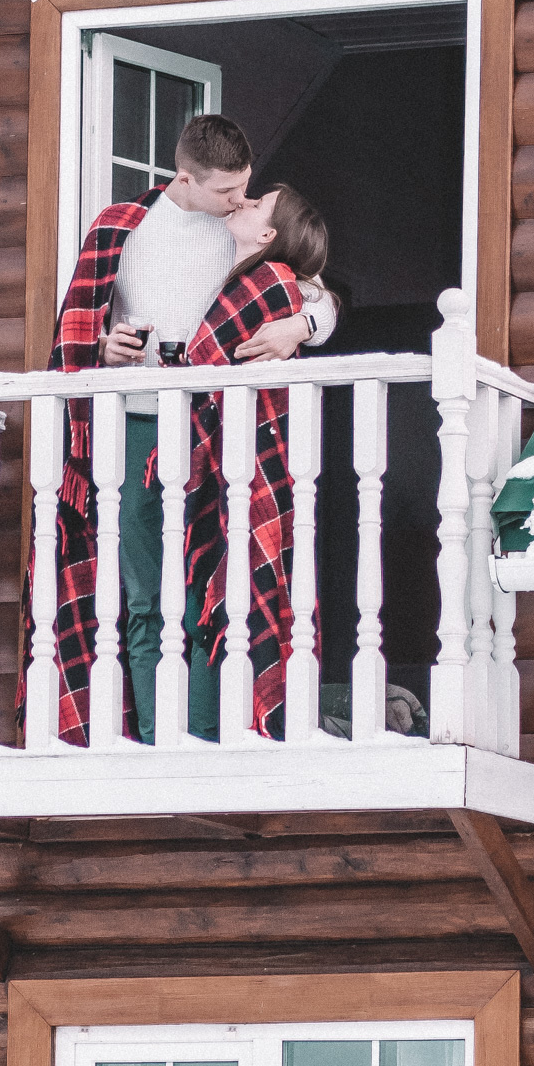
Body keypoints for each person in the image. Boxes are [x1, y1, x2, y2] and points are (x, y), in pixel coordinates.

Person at [33, 115, 336, 746]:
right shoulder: (121, 229)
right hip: (135, 436)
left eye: (245, 191)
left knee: (214, 595)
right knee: (145, 598)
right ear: (185, 178)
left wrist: (302, 328)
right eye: (226, 192)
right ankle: (151, 738)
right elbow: (77, 331)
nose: (239, 202)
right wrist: (107, 349)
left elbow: (316, 290)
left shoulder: (239, 236)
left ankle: (206, 732)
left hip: (216, 438)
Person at [183, 184, 334, 743]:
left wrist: (309, 321)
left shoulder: (267, 280)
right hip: (203, 458)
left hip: (218, 459)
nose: (241, 202)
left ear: (269, 235)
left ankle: (228, 728)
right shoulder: (203, 243)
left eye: (255, 204)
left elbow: (203, 353)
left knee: (225, 600)